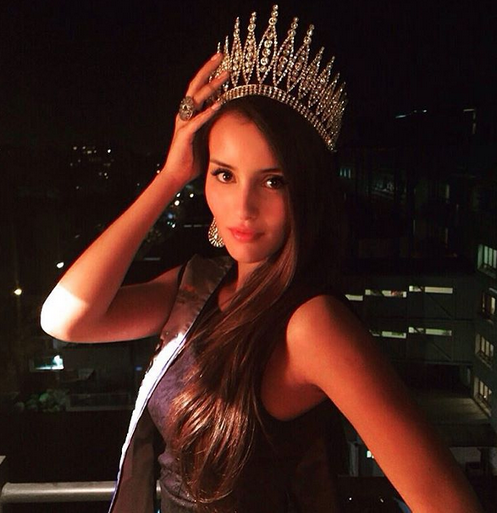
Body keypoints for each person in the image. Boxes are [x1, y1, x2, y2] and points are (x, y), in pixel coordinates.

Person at [40, 6, 484, 513]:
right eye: (224, 175)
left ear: (305, 190)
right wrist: (170, 176)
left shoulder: (312, 326)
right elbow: (65, 319)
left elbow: (448, 502)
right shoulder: (196, 288)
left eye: (273, 181)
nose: (243, 208)